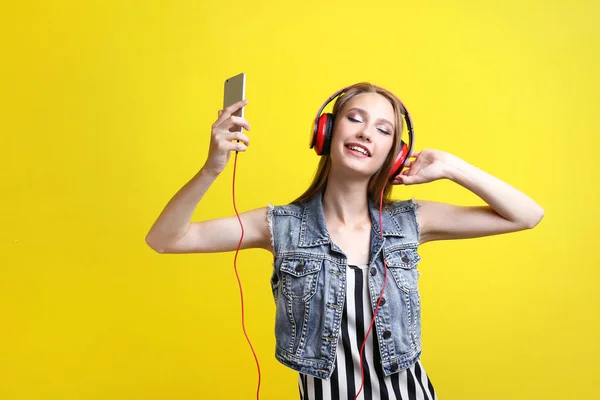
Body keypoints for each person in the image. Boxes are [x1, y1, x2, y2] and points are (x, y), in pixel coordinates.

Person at [145, 83, 544, 400]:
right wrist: (213, 167)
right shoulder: (280, 226)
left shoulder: (411, 221)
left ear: (394, 153)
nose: (366, 132)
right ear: (328, 131)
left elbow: (526, 215)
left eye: (383, 130)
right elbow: (166, 238)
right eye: (355, 118)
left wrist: (453, 168)